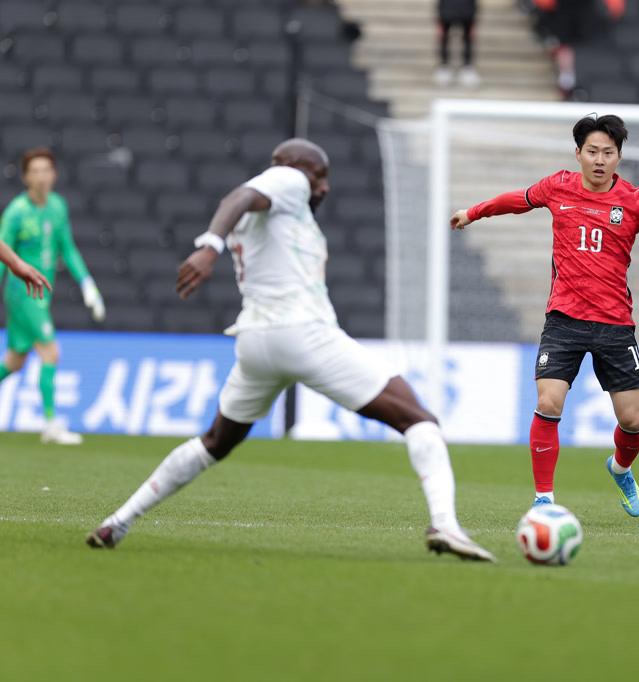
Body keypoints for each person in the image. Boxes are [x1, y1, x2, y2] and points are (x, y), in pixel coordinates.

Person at [87, 139, 495, 563]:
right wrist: (209, 246)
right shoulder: (288, 180)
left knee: (215, 442)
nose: (324, 186)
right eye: (319, 175)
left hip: (256, 341)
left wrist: (217, 241)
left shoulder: (276, 213)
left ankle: (118, 520)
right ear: (292, 167)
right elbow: (239, 196)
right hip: (302, 333)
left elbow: (242, 202)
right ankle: (445, 524)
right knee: (419, 419)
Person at [450, 115, 639, 516]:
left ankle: (620, 468)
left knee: (633, 421)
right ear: (578, 154)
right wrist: (474, 212)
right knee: (549, 402)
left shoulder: (636, 200)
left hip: (615, 324)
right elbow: (517, 200)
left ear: (619, 157)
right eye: (592, 151)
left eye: (608, 152)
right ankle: (543, 499)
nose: (599, 160)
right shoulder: (558, 186)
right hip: (564, 319)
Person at [0, 148, 105, 445]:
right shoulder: (17, 212)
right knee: (50, 352)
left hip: (41, 294)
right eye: (35, 171)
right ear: (25, 177)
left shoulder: (57, 206)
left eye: (46, 170)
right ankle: (50, 423)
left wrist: (87, 284)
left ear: (55, 174)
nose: (41, 177)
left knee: (15, 360)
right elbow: (2, 253)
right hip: (22, 294)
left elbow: (67, 248)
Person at [435, 0, 479, 88]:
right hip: (447, 12)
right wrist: (439, 19)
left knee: (467, 40)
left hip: (466, 13)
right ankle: (444, 67)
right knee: (444, 39)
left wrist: (473, 21)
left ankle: (467, 67)